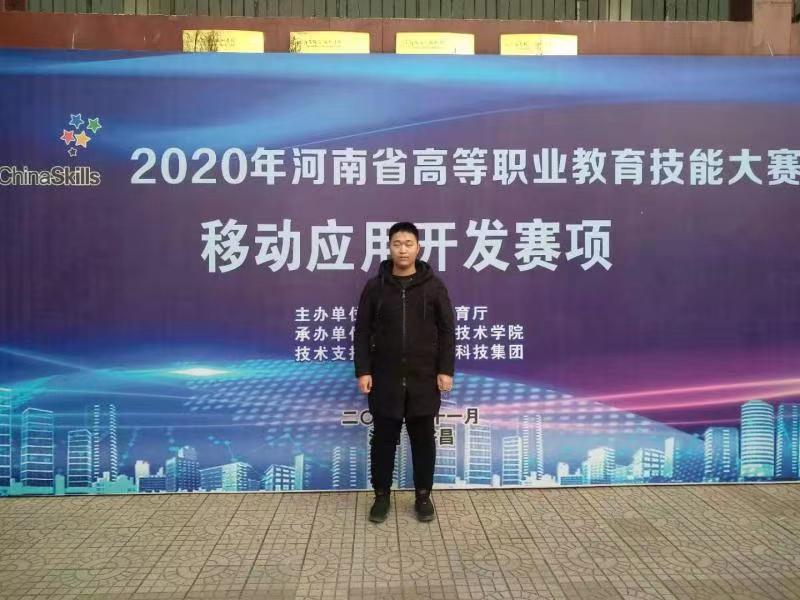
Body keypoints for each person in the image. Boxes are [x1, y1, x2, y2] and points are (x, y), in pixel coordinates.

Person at [354, 221, 456, 523]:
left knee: (423, 439)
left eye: (408, 244)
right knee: (383, 440)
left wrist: (445, 370)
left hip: (424, 378)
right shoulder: (375, 287)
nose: (402, 250)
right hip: (384, 377)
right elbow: (362, 332)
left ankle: (423, 496)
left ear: (418, 248)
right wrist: (363, 370)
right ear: (389, 247)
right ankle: (381, 496)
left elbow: (447, 331)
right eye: (397, 243)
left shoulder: (434, 286)